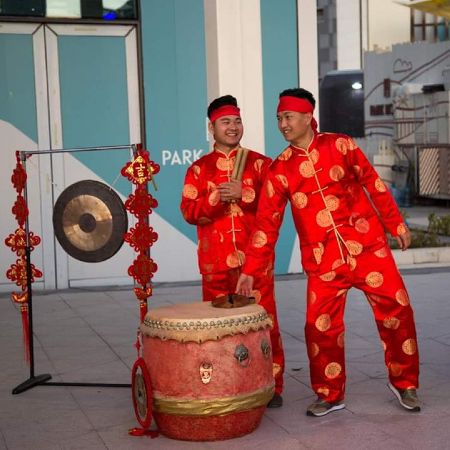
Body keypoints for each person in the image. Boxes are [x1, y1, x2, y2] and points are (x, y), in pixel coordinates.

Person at [236, 88, 420, 416]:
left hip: (368, 249)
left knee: (398, 310)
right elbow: (266, 225)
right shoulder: (280, 170)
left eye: (288, 116)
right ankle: (330, 393)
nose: (282, 124)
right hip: (322, 261)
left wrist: (396, 225)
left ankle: (405, 382)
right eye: (279, 118)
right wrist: (250, 268)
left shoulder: (341, 145)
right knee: (319, 327)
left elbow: (374, 184)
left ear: (308, 116)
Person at [180, 95, 285, 407]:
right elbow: (188, 211)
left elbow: (276, 205)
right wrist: (216, 199)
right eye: (226, 122)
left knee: (264, 323)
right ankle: (224, 382)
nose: (233, 127)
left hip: (255, 262)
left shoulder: (261, 164)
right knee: (218, 327)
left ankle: (271, 385)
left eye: (237, 121)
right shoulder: (199, 170)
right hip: (215, 263)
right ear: (212, 127)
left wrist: (246, 193)